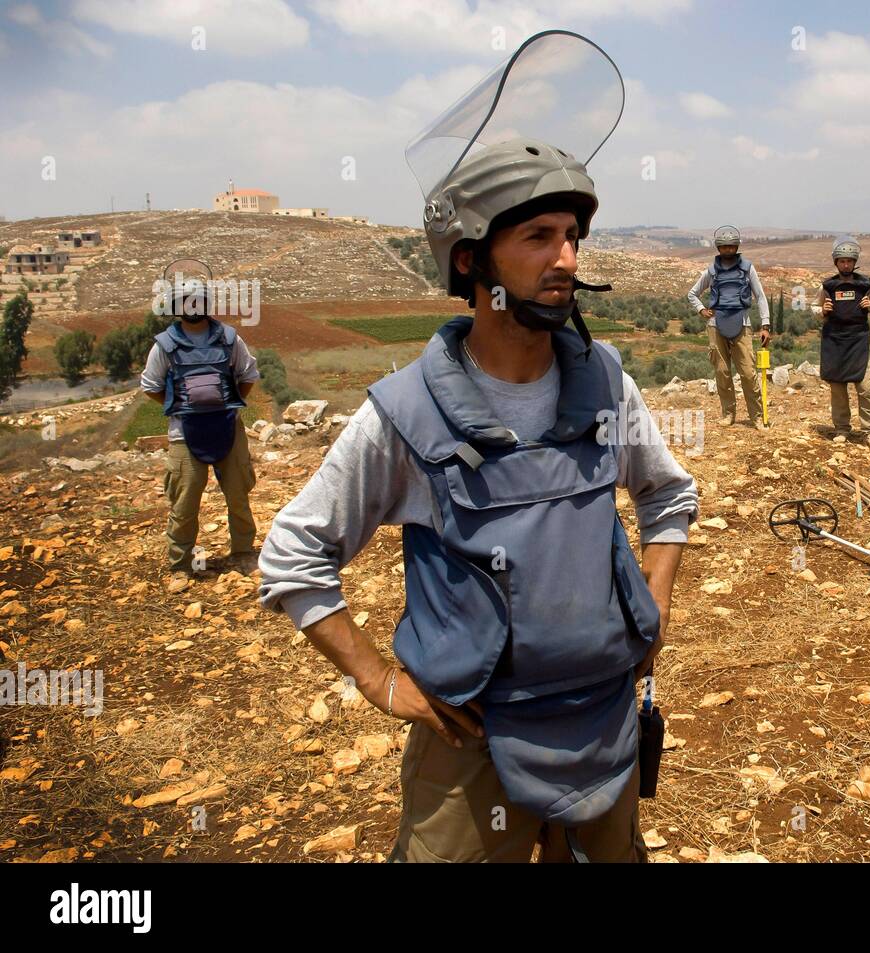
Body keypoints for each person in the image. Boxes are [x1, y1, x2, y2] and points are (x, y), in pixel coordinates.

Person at [258, 32, 698, 863]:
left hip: (601, 726)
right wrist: (376, 678)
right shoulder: (407, 413)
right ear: (471, 260)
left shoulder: (603, 381)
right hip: (472, 745)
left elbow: (670, 496)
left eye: (573, 235)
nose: (567, 258)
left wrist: (657, 600)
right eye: (538, 236)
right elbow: (292, 555)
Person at [140, 267, 259, 579]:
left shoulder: (230, 339)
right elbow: (151, 386)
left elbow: (248, 375)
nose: (192, 306)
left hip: (228, 429)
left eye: (197, 300)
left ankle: (244, 553)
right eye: (186, 301)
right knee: (185, 500)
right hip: (184, 434)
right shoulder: (164, 345)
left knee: (238, 495)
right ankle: (180, 563)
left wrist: (225, 406)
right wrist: (182, 408)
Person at [686, 225, 771, 429]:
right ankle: (728, 413)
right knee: (722, 372)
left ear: (736, 246)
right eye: (724, 247)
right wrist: (701, 310)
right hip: (716, 325)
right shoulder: (711, 271)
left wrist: (766, 324)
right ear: (718, 248)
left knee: (748, 373)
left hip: (742, 324)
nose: (728, 250)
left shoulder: (748, 268)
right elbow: (692, 293)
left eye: (731, 247)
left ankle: (757, 416)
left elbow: (760, 296)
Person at [810, 236, 870, 448]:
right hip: (834, 340)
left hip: (858, 340)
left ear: (854, 262)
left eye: (849, 261)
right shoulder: (828, 286)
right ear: (836, 262)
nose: (846, 264)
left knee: (864, 386)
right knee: (837, 387)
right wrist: (822, 310)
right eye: (842, 261)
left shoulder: (866, 284)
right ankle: (842, 429)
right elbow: (814, 308)